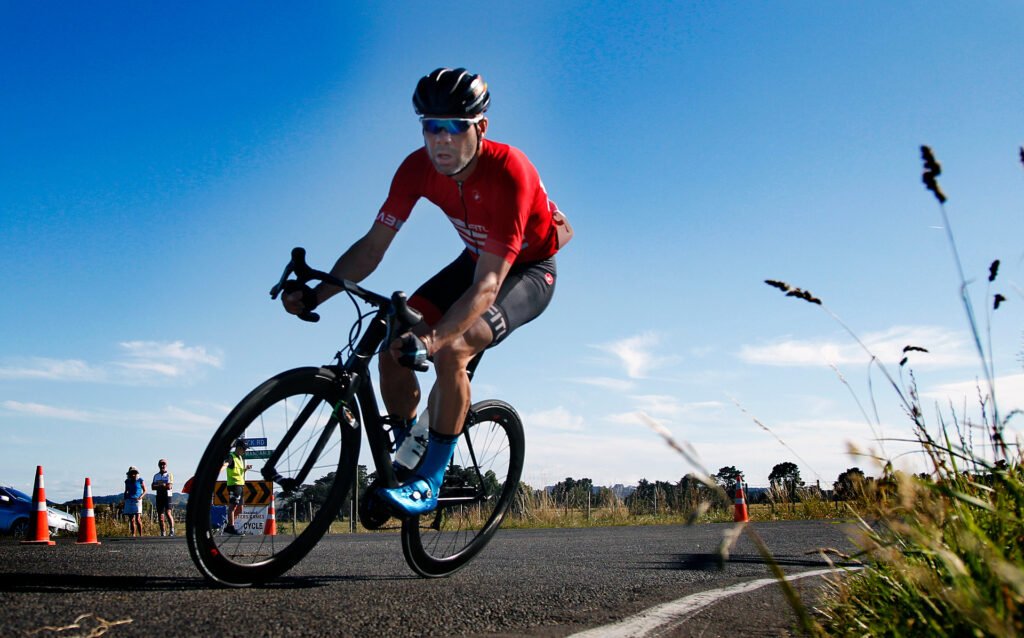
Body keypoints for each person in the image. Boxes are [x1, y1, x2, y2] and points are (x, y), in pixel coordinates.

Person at [283, 67, 572, 517]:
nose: (441, 139)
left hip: (526, 272)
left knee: (453, 350)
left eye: (455, 127)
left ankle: (430, 478)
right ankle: (405, 456)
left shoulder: (511, 171)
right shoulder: (416, 168)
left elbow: (490, 284)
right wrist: (318, 295)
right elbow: (372, 247)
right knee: (392, 346)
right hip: (473, 260)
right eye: (431, 127)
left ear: (481, 128)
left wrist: (434, 340)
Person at [221, 439, 252, 535]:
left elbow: (240, 472)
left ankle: (229, 524)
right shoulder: (231, 457)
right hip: (233, 485)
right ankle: (231, 527)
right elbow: (226, 464)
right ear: (238, 448)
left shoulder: (240, 458)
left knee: (240, 508)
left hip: (240, 485)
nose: (245, 451)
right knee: (232, 507)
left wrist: (245, 469)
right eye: (244, 449)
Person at [151, 459, 175, 537]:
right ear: (159, 465)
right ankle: (163, 532)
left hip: (167, 496)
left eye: (164, 464)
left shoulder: (169, 475)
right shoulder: (156, 476)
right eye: (161, 464)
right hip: (159, 496)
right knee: (160, 516)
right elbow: (153, 487)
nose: (162, 466)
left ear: (166, 465)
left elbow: (169, 486)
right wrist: (163, 485)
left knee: (168, 513)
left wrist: (159, 485)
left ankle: (172, 530)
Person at [123, 466, 146, 537]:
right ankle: (133, 534)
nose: (133, 474)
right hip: (129, 500)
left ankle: (141, 535)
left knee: (138, 519)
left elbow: (145, 490)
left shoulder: (140, 480)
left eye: (134, 473)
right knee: (131, 519)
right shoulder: (127, 481)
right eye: (131, 473)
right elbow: (126, 490)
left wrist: (140, 497)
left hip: (137, 500)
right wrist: (125, 497)